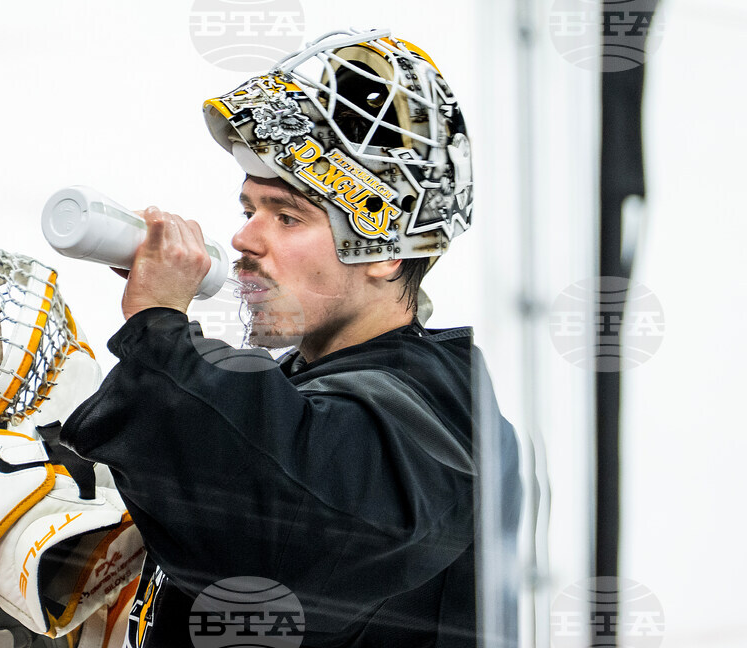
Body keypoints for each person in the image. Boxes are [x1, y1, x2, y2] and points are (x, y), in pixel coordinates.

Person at [61, 28, 521, 648]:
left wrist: (158, 330)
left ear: (384, 252)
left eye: (287, 215)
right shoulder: (306, 395)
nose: (247, 238)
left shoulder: (439, 421)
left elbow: (277, 529)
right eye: (249, 208)